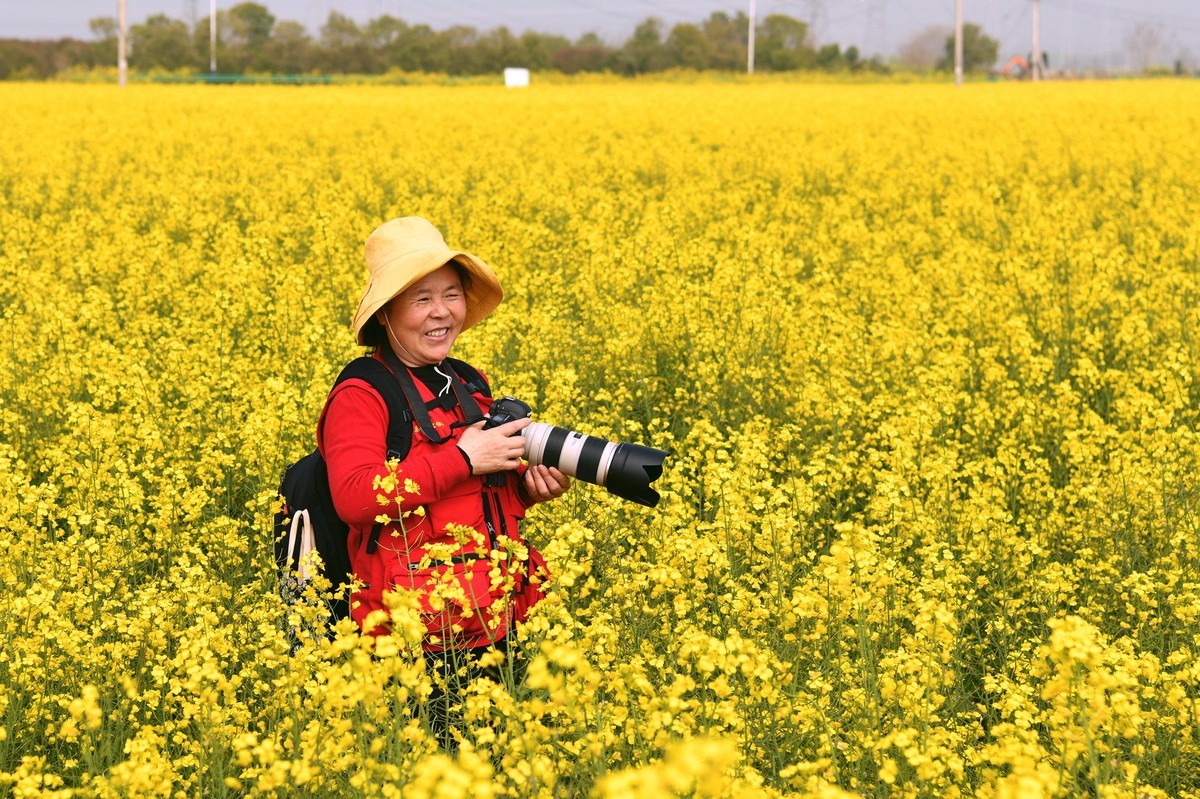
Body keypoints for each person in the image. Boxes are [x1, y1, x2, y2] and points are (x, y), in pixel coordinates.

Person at [317, 216, 571, 747]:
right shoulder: (363, 395)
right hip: (410, 639)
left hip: (495, 617)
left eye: (451, 295)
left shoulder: (467, 382)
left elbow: (476, 493)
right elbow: (354, 497)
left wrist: (526, 489)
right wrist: (461, 456)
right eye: (421, 299)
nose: (441, 313)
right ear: (386, 314)